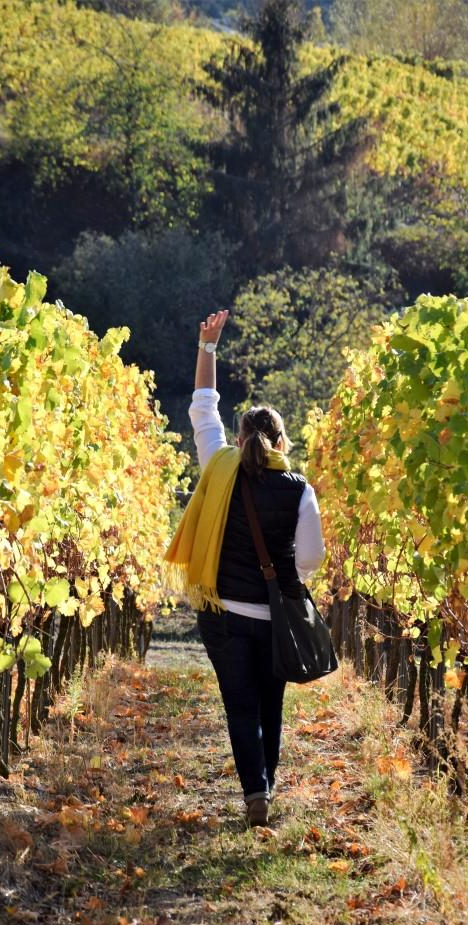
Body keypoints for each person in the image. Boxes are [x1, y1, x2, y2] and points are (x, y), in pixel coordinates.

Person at [164, 310, 326, 827]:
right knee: (269, 702)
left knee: (240, 706)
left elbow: (202, 410)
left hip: (223, 614)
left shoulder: (217, 463)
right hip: (273, 614)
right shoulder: (300, 488)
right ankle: (267, 788)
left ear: (240, 436)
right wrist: (283, 576)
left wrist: (206, 348)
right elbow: (310, 559)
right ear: (283, 441)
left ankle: (255, 789)